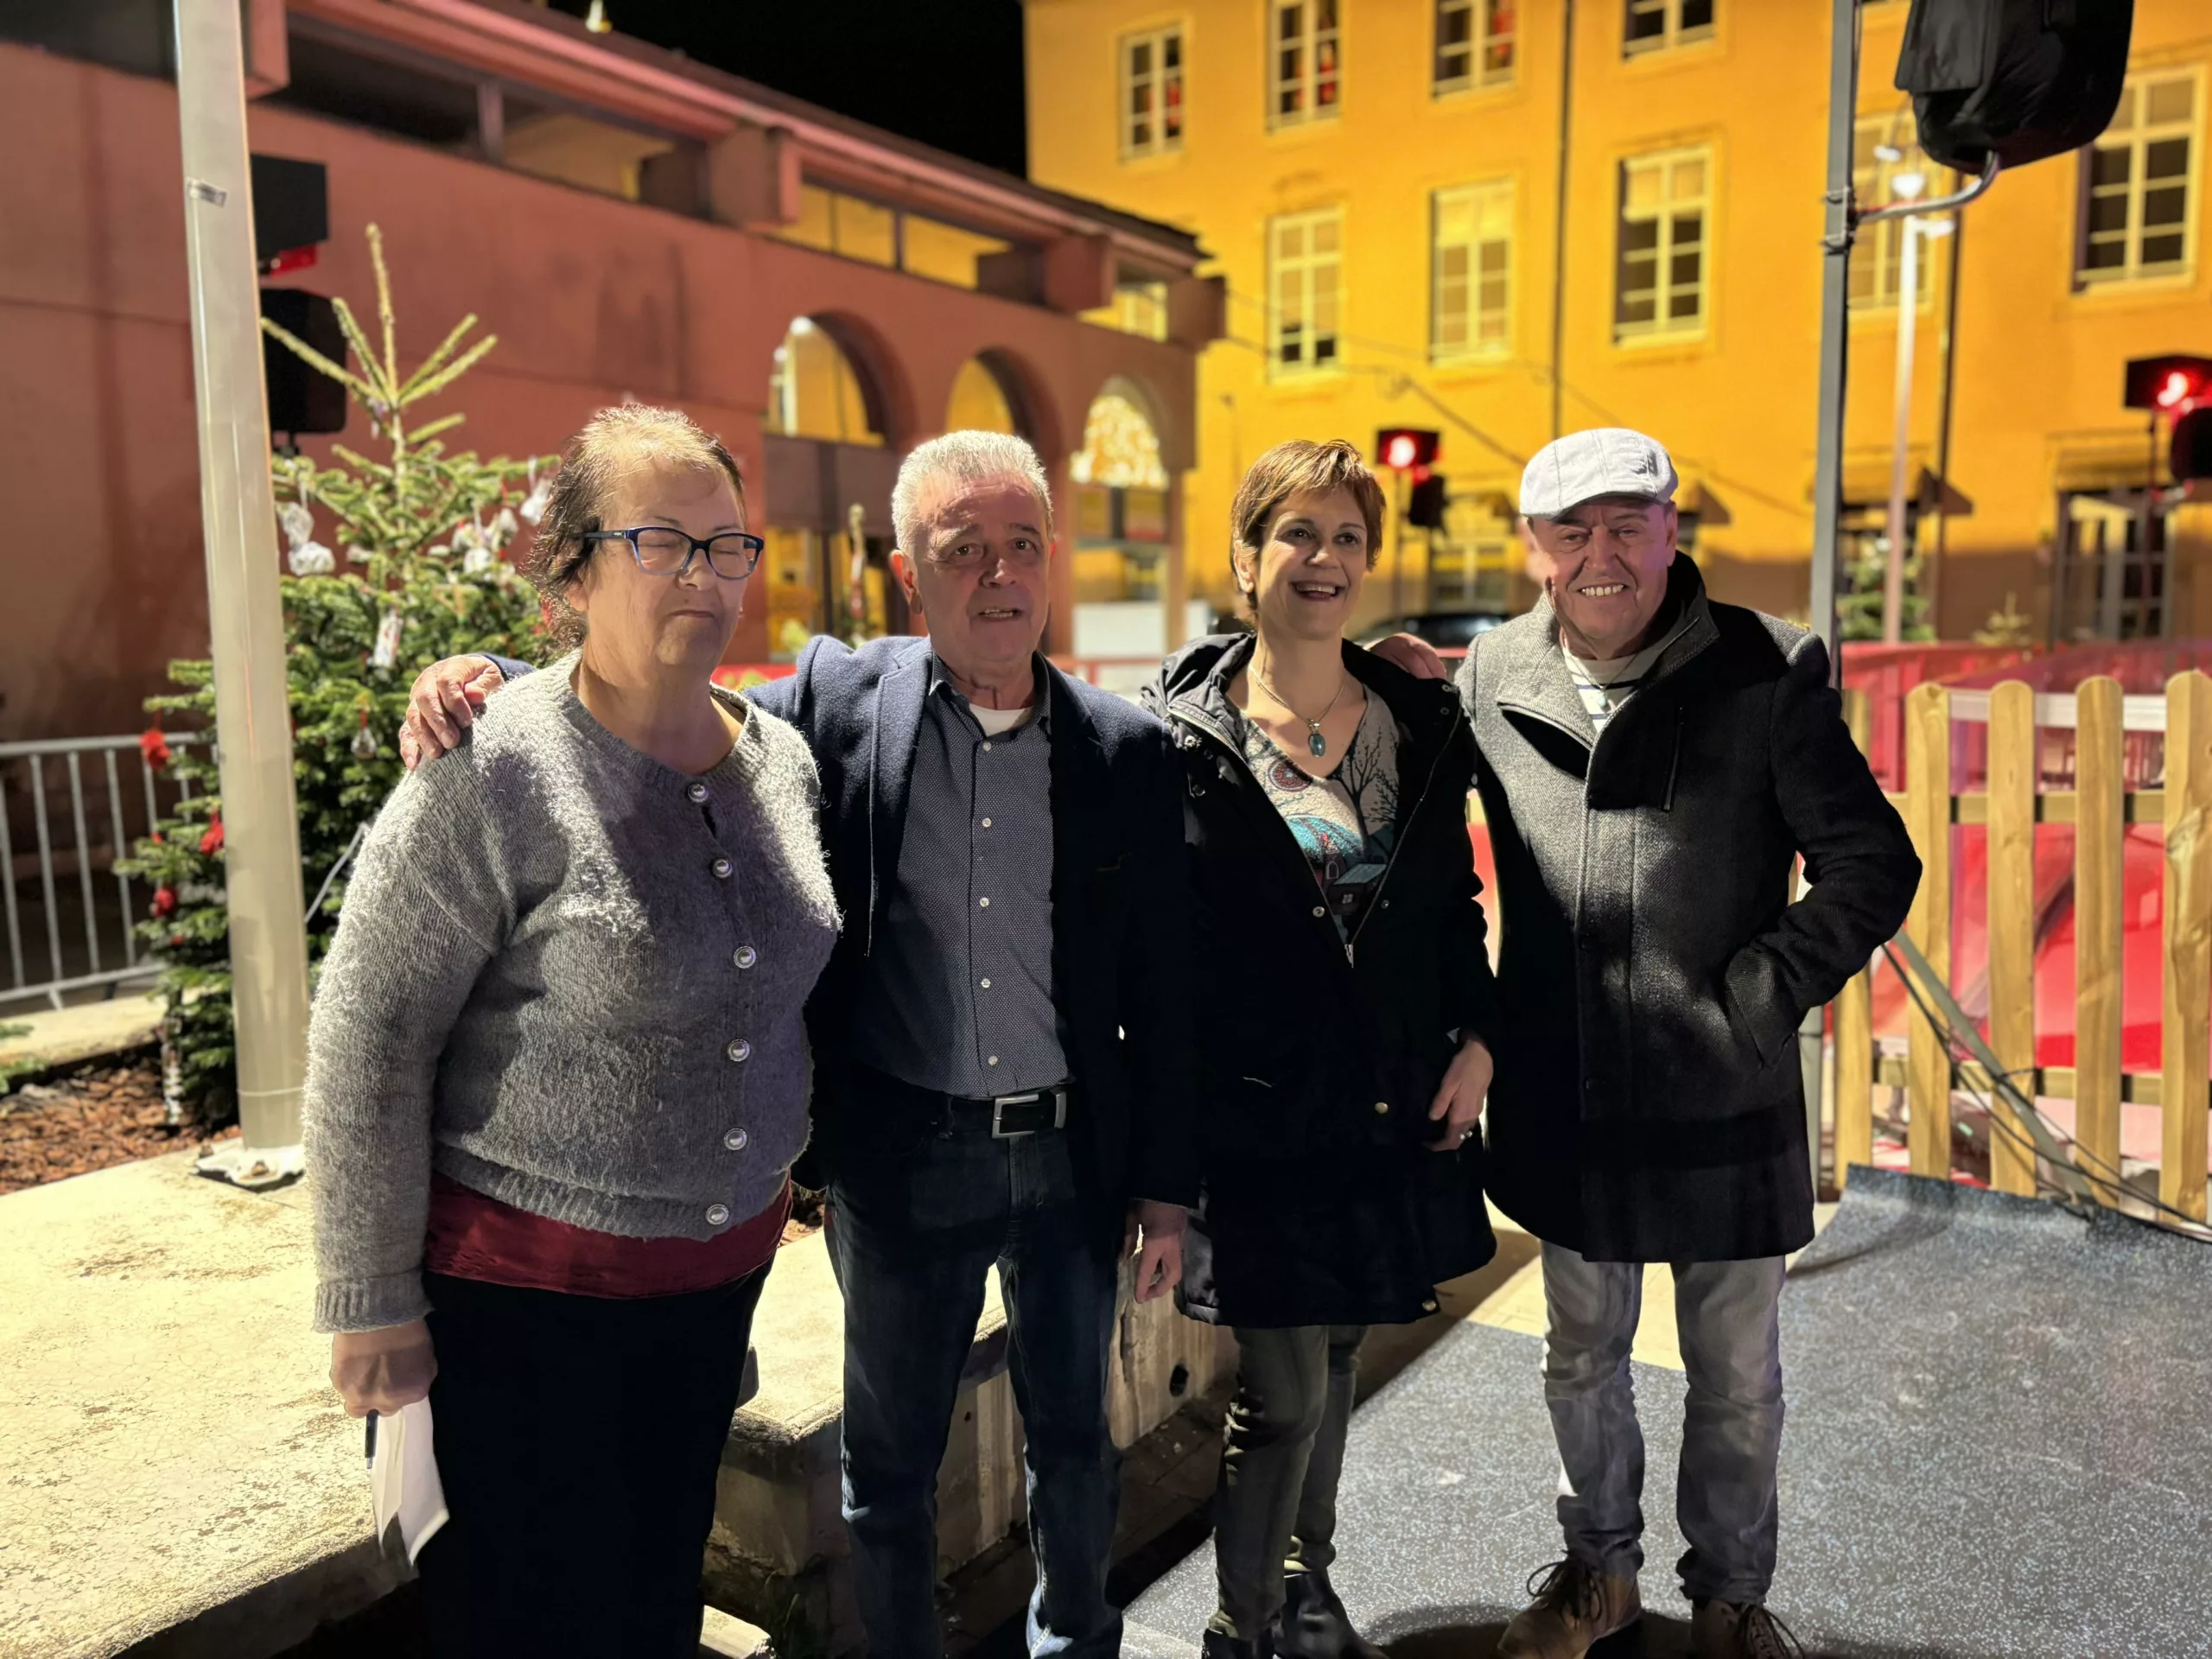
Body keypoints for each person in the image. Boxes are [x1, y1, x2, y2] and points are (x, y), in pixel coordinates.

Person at [400, 430, 1196, 1659]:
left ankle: (1075, 1647)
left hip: (1072, 1167)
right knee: (887, 1468)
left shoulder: (1123, 749)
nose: (998, 575)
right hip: (903, 1163)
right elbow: (653, 692)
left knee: (1081, 1447)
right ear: (906, 572)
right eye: (962, 548)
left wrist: (1165, 1185)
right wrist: (488, 672)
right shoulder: (835, 705)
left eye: (1023, 545)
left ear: (1057, 561)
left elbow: (1163, 976)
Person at [305, 405, 839, 1656]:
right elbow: (370, 1037)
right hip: (521, 1312)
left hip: (709, 1291)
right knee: (524, 1619)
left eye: (727, 546)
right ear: (578, 568)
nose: (705, 576)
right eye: (663, 542)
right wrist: (369, 1301)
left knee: (653, 1595)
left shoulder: (784, 763)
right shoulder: (490, 767)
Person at [1383, 428, 1920, 1659]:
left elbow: (1871, 863)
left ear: (1675, 529)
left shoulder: (1765, 669)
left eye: (1629, 522)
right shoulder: (1495, 676)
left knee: (1734, 1379)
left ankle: (1731, 1596)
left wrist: (1760, 992)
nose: (1601, 554)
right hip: (1569, 1105)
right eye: (1572, 531)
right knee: (1580, 1359)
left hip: (1725, 1100)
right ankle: (1600, 1578)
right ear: (1536, 549)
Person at [1141, 440, 1502, 1659]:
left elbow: (1454, 905)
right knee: (1283, 1386)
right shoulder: (1176, 733)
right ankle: (1243, 1628)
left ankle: (1308, 1585)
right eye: (1298, 533)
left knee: (1343, 1349)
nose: (1326, 559)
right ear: (1245, 556)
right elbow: (1159, 950)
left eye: (1349, 538)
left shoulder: (1416, 717)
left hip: (1389, 1094)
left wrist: (1481, 1036)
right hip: (1253, 1113)